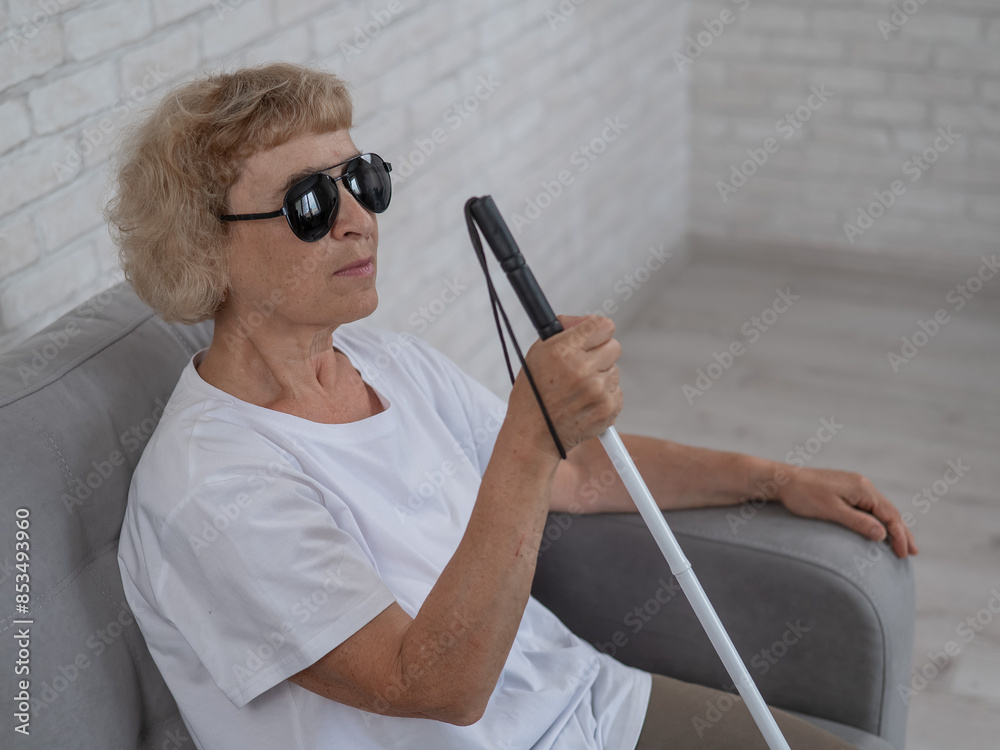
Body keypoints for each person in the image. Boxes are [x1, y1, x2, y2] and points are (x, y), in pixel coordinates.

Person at [109, 63, 916, 750]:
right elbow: (435, 687)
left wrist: (773, 479)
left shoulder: (388, 363)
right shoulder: (209, 487)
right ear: (205, 247)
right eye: (311, 203)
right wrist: (531, 436)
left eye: (362, 180)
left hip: (590, 706)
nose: (359, 221)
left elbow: (578, 473)